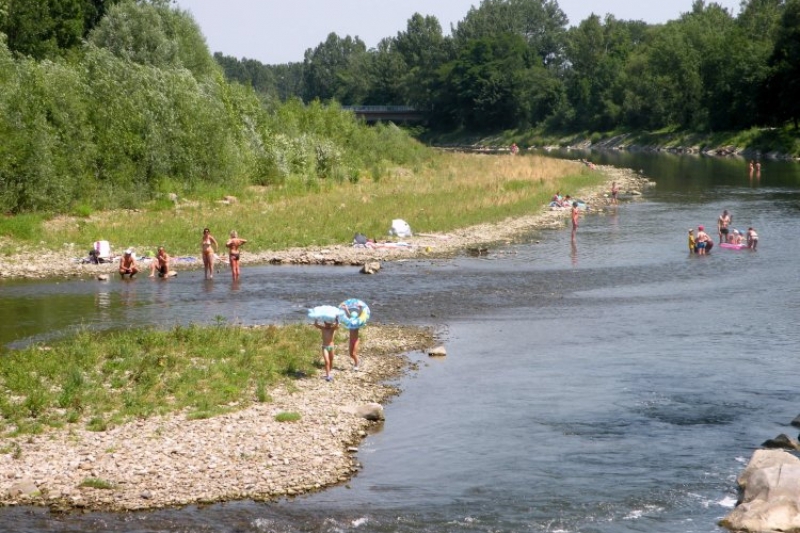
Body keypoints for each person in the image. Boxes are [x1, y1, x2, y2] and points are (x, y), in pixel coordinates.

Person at [339, 302, 363, 371]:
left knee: (354, 353)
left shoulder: (357, 324)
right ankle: (357, 361)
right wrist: (346, 308)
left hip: (356, 340)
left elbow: (359, 316)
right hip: (351, 340)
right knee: (351, 354)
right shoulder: (350, 322)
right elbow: (349, 316)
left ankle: (356, 365)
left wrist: (360, 308)